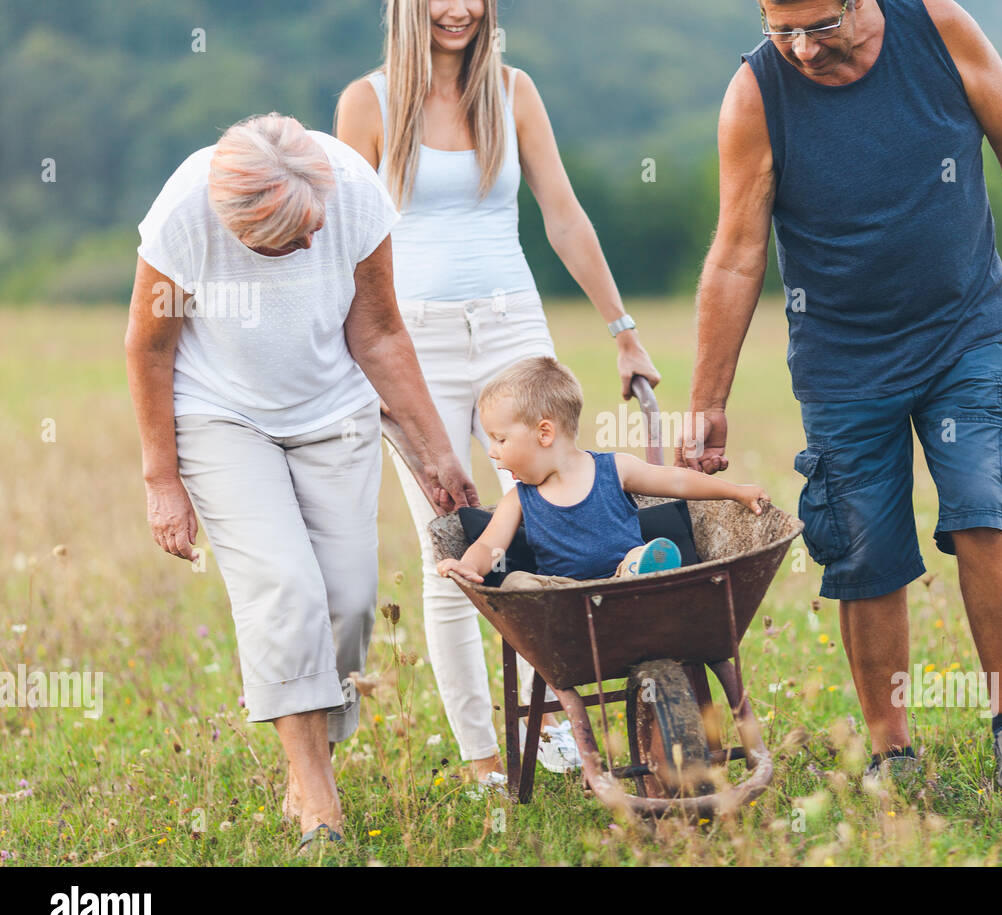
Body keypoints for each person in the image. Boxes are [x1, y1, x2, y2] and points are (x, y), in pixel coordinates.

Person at [679, 0, 1002, 793]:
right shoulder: (756, 95)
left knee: (980, 506)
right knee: (864, 552)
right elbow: (735, 253)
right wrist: (709, 396)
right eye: (780, 29)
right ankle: (892, 754)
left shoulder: (938, 29)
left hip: (960, 333)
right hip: (841, 358)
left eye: (821, 27)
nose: (800, 49)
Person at [125, 113, 476, 848]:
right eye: (290, 240)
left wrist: (436, 451)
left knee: (347, 606)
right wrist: (163, 481)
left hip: (332, 408)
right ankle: (319, 803)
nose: (314, 244)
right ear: (236, 225)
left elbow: (378, 331)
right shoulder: (185, 216)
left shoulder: (351, 193)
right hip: (221, 414)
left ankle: (306, 756)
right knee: (284, 591)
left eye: (316, 227)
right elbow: (151, 347)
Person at [335, 0, 661, 786]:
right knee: (451, 545)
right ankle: (485, 757)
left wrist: (622, 328)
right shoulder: (366, 104)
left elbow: (562, 214)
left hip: (514, 328)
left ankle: (558, 724)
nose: (460, 9)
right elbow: (342, 246)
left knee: (549, 525)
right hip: (415, 343)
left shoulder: (513, 90)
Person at [435, 357, 770, 589]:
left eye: (500, 439)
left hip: (623, 579)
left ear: (544, 433)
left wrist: (735, 491)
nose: (492, 451)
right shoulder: (520, 499)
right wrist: (467, 565)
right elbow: (490, 547)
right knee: (516, 582)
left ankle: (648, 570)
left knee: (642, 556)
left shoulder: (614, 469)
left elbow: (676, 480)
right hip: (561, 592)